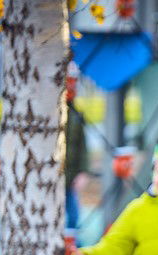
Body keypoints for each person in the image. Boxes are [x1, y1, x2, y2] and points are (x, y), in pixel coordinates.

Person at [64, 61, 90, 234]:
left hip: (70, 177)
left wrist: (82, 171)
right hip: (53, 178)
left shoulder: (75, 114)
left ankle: (72, 246)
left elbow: (81, 146)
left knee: (72, 217)